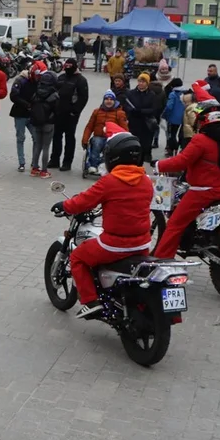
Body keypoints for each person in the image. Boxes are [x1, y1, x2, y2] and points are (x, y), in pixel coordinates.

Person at [52, 131, 154, 319]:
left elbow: (84, 201)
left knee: (78, 258)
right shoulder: (147, 181)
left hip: (114, 244)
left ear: (113, 157)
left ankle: (91, 301)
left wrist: (64, 205)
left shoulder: (110, 181)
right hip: (142, 244)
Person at [153, 100, 220, 259]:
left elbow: (181, 161)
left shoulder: (201, 140)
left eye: (199, 119)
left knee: (174, 225)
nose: (197, 123)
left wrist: (159, 165)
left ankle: (162, 261)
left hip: (202, 192)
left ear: (205, 120)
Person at [48, 58, 89, 171]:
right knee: (56, 136)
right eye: (66, 67)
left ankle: (67, 162)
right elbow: (54, 92)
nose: (67, 69)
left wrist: (75, 111)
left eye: (70, 67)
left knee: (69, 137)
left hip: (71, 115)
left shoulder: (81, 80)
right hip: (58, 112)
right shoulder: (61, 77)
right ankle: (54, 159)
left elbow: (83, 98)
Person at [82, 91, 129, 174]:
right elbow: (89, 127)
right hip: (98, 136)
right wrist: (85, 140)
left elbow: (124, 130)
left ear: (114, 101)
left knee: (109, 147)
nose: (109, 101)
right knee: (97, 143)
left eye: (111, 99)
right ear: (103, 101)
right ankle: (93, 165)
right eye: (107, 99)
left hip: (112, 138)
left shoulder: (120, 113)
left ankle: (104, 164)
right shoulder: (97, 112)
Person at [28, 62, 59, 179]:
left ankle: (34, 168)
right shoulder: (54, 95)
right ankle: (44, 171)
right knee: (46, 147)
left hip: (36, 122)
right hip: (49, 123)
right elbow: (57, 110)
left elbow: (32, 104)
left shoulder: (37, 92)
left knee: (37, 146)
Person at [124, 73, 158, 164]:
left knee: (144, 146)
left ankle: (141, 163)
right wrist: (131, 110)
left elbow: (154, 109)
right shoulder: (131, 93)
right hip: (133, 123)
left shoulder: (151, 95)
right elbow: (126, 106)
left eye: (143, 82)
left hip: (146, 124)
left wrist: (141, 111)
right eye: (139, 81)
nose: (141, 83)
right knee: (132, 144)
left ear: (147, 83)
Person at [9, 67, 35, 173]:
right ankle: (21, 162)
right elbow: (13, 96)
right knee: (20, 138)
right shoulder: (20, 80)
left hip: (32, 114)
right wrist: (27, 104)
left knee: (36, 137)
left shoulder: (37, 80)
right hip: (20, 113)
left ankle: (34, 162)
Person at [161, 80, 185, 158]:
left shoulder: (173, 94)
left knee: (172, 135)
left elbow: (169, 106)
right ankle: (178, 149)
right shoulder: (184, 93)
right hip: (182, 118)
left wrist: (164, 115)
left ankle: (172, 150)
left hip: (172, 118)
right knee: (178, 134)